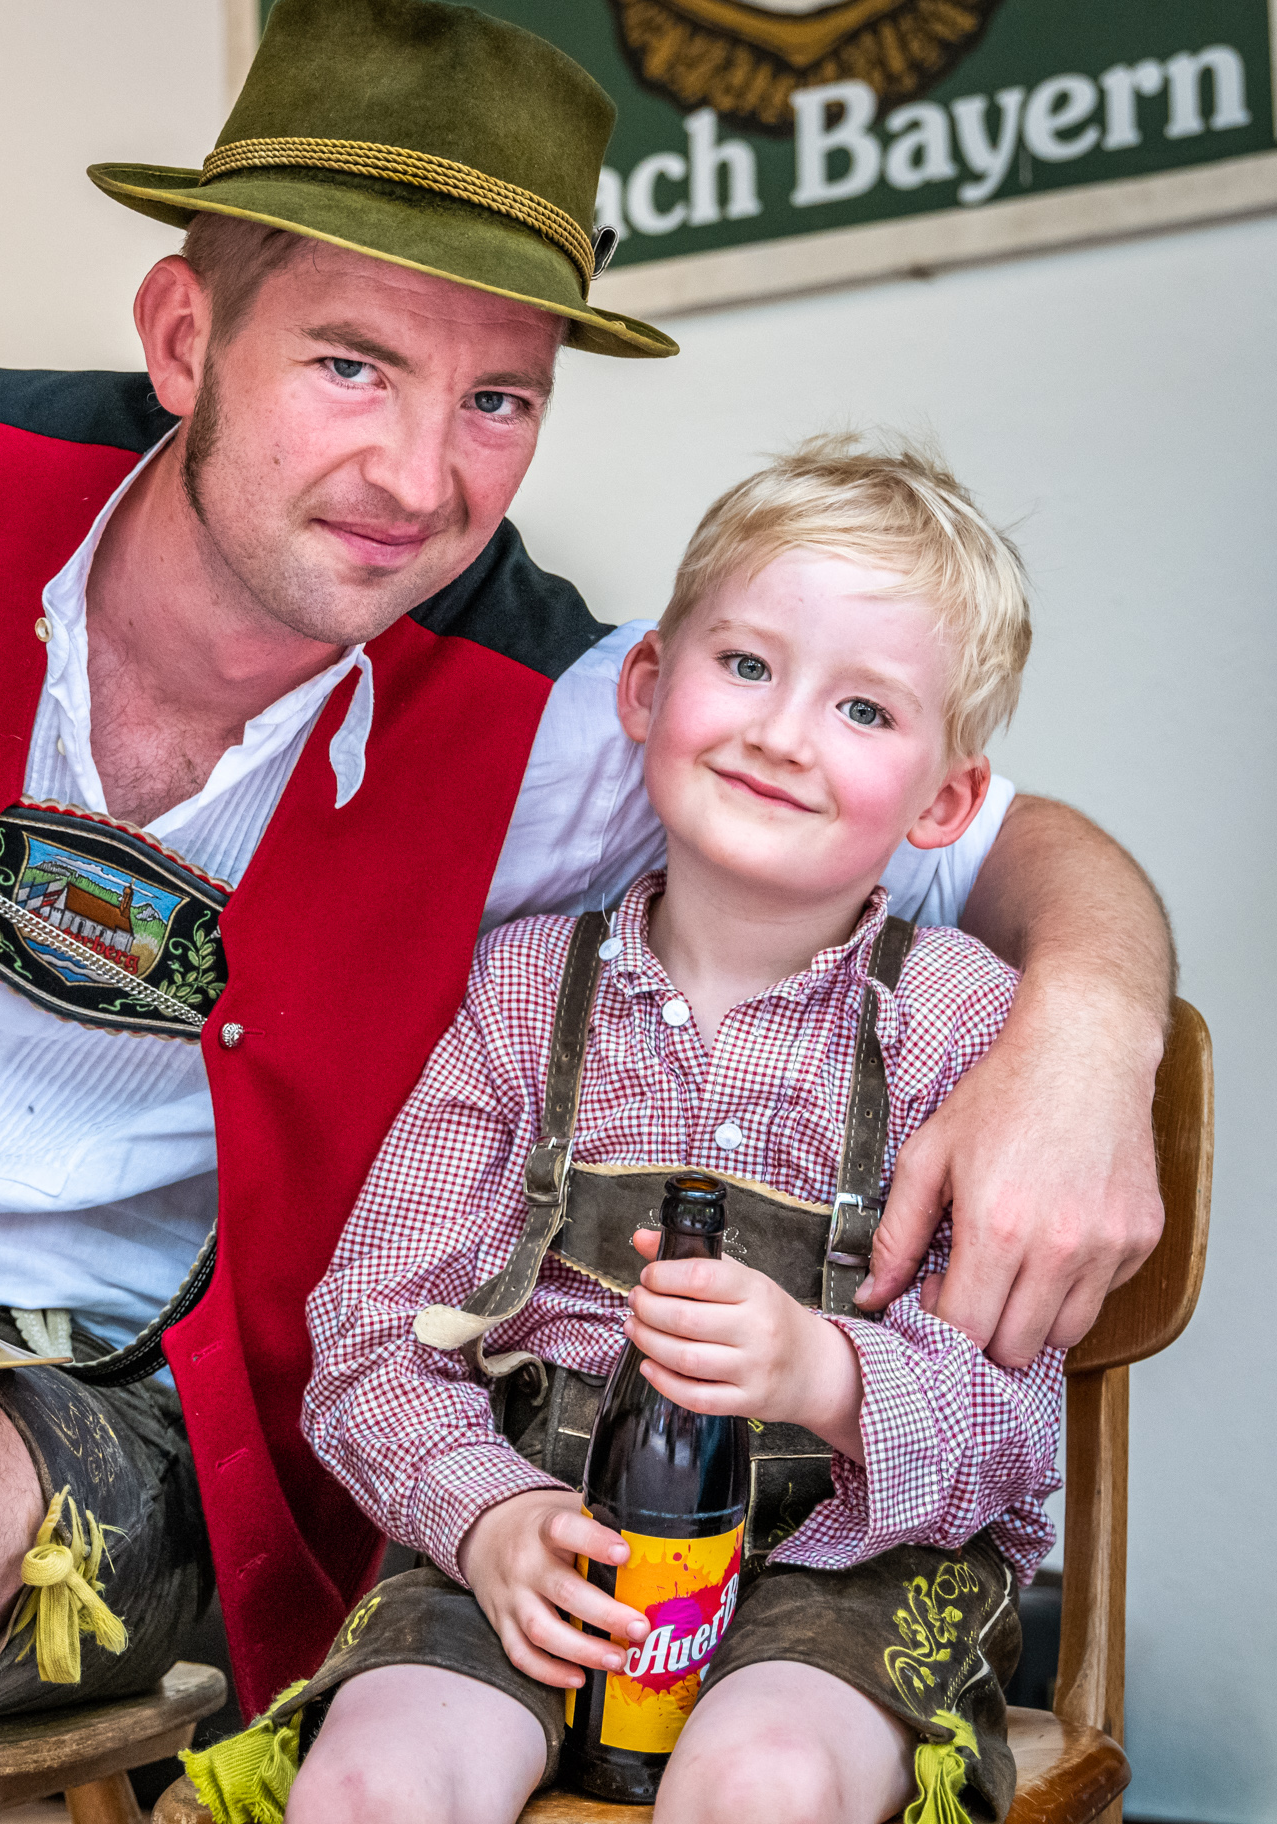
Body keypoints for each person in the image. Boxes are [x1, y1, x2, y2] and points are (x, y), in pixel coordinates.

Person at [0, 0, 1164, 1816]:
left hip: (76, 1409)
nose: (417, 478)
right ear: (181, 336)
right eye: (351, 366)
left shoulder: (573, 717)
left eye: (498, 400)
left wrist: (1091, 1036)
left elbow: (1009, 845)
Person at [211, 440, 1064, 1824]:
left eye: (863, 709)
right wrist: (487, 1515)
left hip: (843, 1566)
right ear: (648, 687)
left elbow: (1016, 1430)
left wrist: (826, 1372)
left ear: (946, 802)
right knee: (370, 1779)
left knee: (765, 1783)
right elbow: (369, 1329)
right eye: (747, 666)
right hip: (546, 1530)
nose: (782, 733)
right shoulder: (524, 990)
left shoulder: (961, 1025)